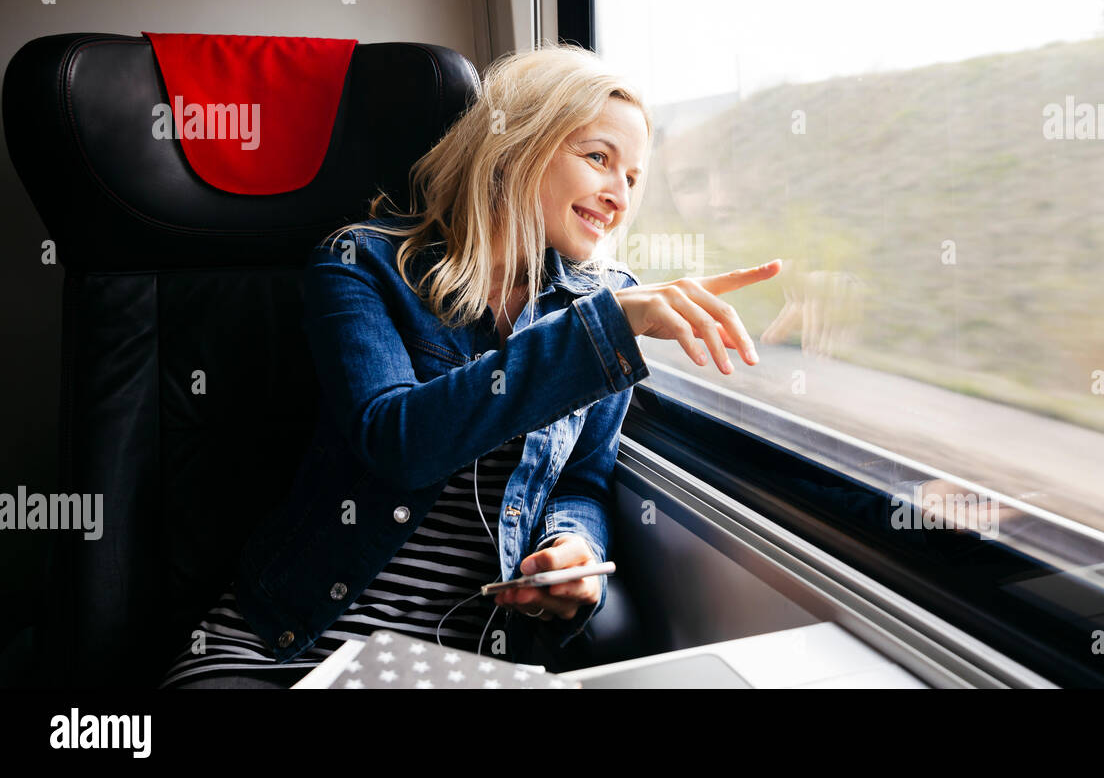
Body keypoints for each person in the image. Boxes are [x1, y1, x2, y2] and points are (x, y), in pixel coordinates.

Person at [158, 42, 780, 688]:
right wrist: (599, 334)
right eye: (598, 157)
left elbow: (582, 481)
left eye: (633, 178)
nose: (619, 195)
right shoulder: (361, 264)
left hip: (455, 663)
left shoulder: (603, 303)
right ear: (515, 146)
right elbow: (396, 440)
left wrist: (574, 549)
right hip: (289, 645)